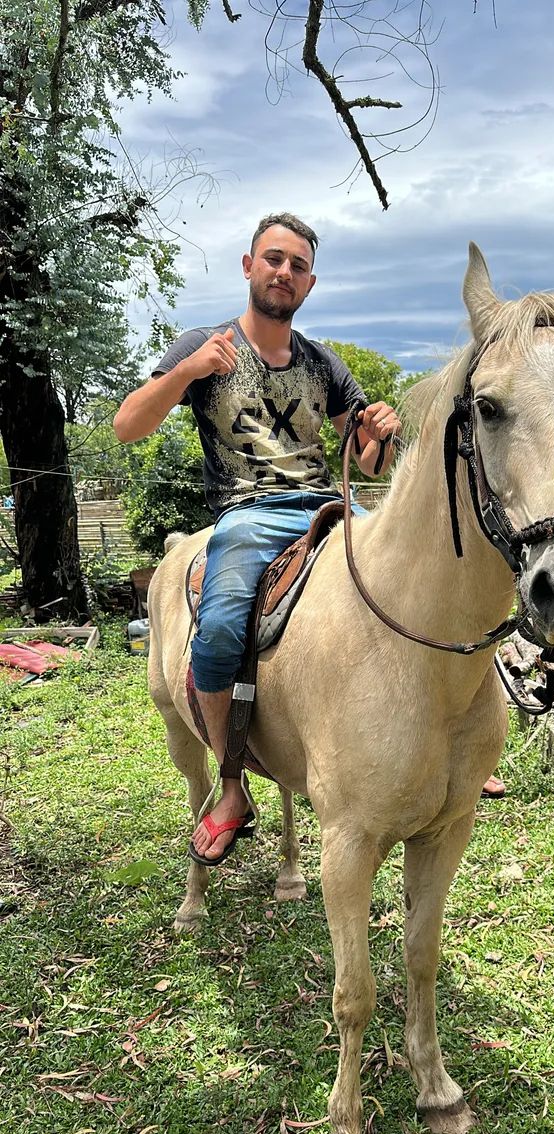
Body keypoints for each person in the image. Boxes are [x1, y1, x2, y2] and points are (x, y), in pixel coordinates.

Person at [114, 212, 400, 864]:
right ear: (249, 266)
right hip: (249, 514)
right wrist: (185, 374)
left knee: (408, 587)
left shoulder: (323, 363)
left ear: (310, 281)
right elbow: (128, 426)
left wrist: (379, 432)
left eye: (298, 265)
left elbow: (371, 464)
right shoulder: (203, 345)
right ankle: (232, 783)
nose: (284, 273)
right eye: (274, 259)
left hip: (331, 507)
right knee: (216, 633)